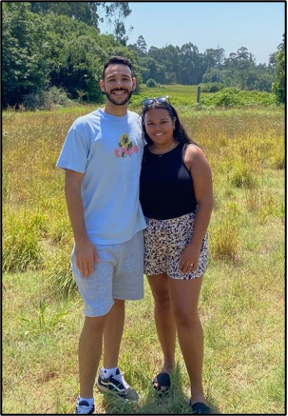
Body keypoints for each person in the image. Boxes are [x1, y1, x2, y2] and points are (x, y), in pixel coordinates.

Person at [56, 56, 146, 414]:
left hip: (131, 236)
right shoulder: (84, 127)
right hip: (96, 243)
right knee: (95, 317)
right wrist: (81, 241)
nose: (119, 84)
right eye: (112, 79)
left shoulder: (140, 123)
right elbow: (71, 186)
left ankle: (109, 373)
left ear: (134, 83)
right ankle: (85, 399)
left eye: (124, 78)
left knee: (118, 304)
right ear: (102, 85)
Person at [139, 96, 213, 414]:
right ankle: (168, 364)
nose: (157, 128)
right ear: (144, 126)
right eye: (150, 122)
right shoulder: (139, 155)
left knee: (185, 313)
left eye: (163, 121)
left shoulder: (190, 153)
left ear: (174, 121)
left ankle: (197, 391)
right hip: (150, 239)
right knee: (162, 303)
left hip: (185, 240)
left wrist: (194, 245)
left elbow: (206, 202)